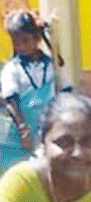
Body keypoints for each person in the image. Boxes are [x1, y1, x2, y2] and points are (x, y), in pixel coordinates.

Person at [1, 10, 72, 173]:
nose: (20, 47)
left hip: (49, 129)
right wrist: (23, 129)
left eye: (25, 41)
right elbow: (11, 101)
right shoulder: (12, 69)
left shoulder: (52, 66)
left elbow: (65, 92)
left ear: (37, 39)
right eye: (16, 42)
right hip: (19, 137)